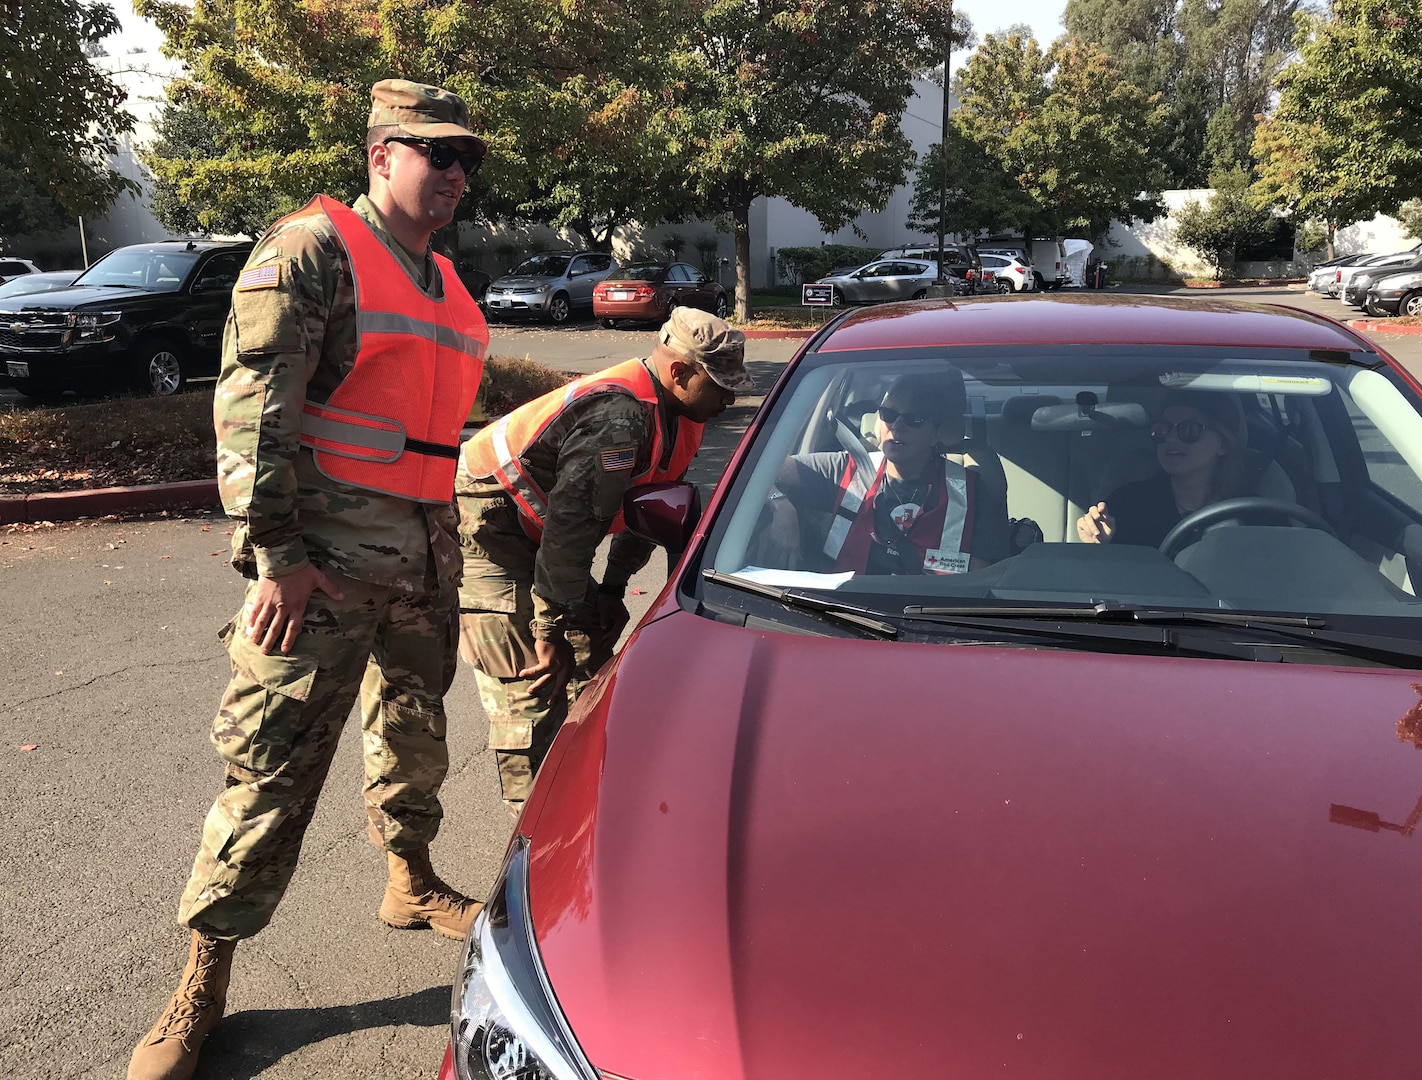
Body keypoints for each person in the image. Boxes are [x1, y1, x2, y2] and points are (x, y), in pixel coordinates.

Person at [128, 80, 490, 1080]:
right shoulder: (313, 251)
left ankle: (409, 881)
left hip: (421, 567)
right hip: (320, 573)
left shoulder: (452, 290)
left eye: (469, 160)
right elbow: (252, 410)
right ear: (382, 156)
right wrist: (275, 557)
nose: (457, 173)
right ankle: (203, 977)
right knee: (270, 766)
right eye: (437, 153)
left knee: (413, 737)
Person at [456, 307, 753, 817]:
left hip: (546, 535)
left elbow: (648, 508)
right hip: (489, 532)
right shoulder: (618, 419)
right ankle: (536, 834)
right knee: (533, 686)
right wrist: (548, 632)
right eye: (719, 384)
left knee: (591, 657)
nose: (729, 398)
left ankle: (588, 802)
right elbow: (569, 535)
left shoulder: (682, 415)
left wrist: (613, 591)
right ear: (679, 372)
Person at [763, 374, 1011, 574]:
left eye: (915, 418)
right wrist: (781, 507)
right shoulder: (845, 469)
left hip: (932, 623)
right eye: (888, 414)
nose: (897, 426)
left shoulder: (973, 493)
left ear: (936, 433)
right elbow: (761, 471)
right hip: (841, 614)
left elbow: (978, 585)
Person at [1076, 391, 1248, 547]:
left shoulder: (1252, 512)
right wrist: (1099, 544)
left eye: (1188, 430)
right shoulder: (1127, 505)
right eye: (1162, 430)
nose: (1171, 438)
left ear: (1223, 444)